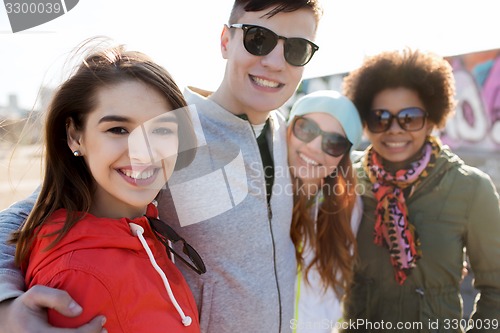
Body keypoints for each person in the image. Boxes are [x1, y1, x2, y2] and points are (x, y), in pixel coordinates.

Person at [0, 1, 324, 332]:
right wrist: (6, 305)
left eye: (297, 49)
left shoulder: (286, 135)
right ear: (226, 41)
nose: (274, 62)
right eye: (259, 38)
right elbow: (26, 215)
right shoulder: (170, 127)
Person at [4, 41, 202, 332]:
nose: (143, 152)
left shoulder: (145, 230)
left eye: (160, 130)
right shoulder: (78, 274)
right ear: (75, 136)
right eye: (118, 130)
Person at [341, 48, 500, 331]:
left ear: (431, 119)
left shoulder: (471, 189)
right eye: (380, 117)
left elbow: (497, 289)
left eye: (410, 117)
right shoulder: (346, 181)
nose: (395, 129)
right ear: (367, 122)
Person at [286, 90, 363, 333]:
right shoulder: (258, 195)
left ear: (344, 156)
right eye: (306, 129)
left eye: (333, 142)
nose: (314, 147)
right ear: (288, 129)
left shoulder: (349, 208)